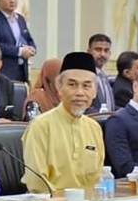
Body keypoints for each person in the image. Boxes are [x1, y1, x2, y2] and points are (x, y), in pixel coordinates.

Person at [21, 52, 104, 193]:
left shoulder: (94, 127)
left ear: (95, 91)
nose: (80, 92)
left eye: (86, 86)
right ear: (59, 87)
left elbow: (96, 179)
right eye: (72, 85)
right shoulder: (41, 126)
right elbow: (37, 184)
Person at [87, 33, 116, 111]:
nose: (102, 54)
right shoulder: (85, 75)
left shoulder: (103, 75)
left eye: (106, 50)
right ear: (89, 52)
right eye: (98, 49)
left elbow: (109, 106)